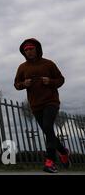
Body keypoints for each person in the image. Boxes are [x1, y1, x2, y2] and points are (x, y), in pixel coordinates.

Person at [14, 38, 70, 173]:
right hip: (35, 105)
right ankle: (63, 152)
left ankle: (50, 161)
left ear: (37, 49)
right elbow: (16, 84)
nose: (29, 52)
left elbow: (61, 79)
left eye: (31, 49)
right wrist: (24, 84)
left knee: (47, 126)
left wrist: (50, 81)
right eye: (26, 50)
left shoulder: (48, 64)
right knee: (48, 130)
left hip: (51, 101)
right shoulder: (22, 67)